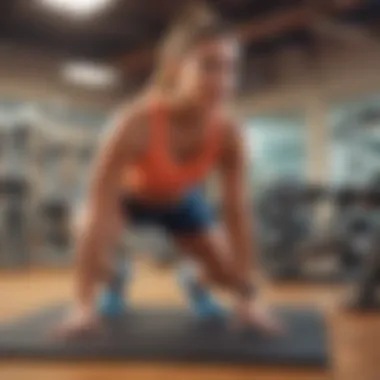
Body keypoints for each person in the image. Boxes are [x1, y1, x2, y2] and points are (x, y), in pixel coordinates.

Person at [57, 2, 281, 339]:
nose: (222, 81)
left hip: (178, 202)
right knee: (92, 241)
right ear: (175, 68)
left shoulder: (229, 134)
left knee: (227, 274)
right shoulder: (134, 123)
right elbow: (101, 204)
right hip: (124, 199)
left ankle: (193, 280)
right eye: (209, 66)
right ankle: (116, 277)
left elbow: (237, 212)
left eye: (230, 68)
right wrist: (83, 307)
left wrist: (247, 299)